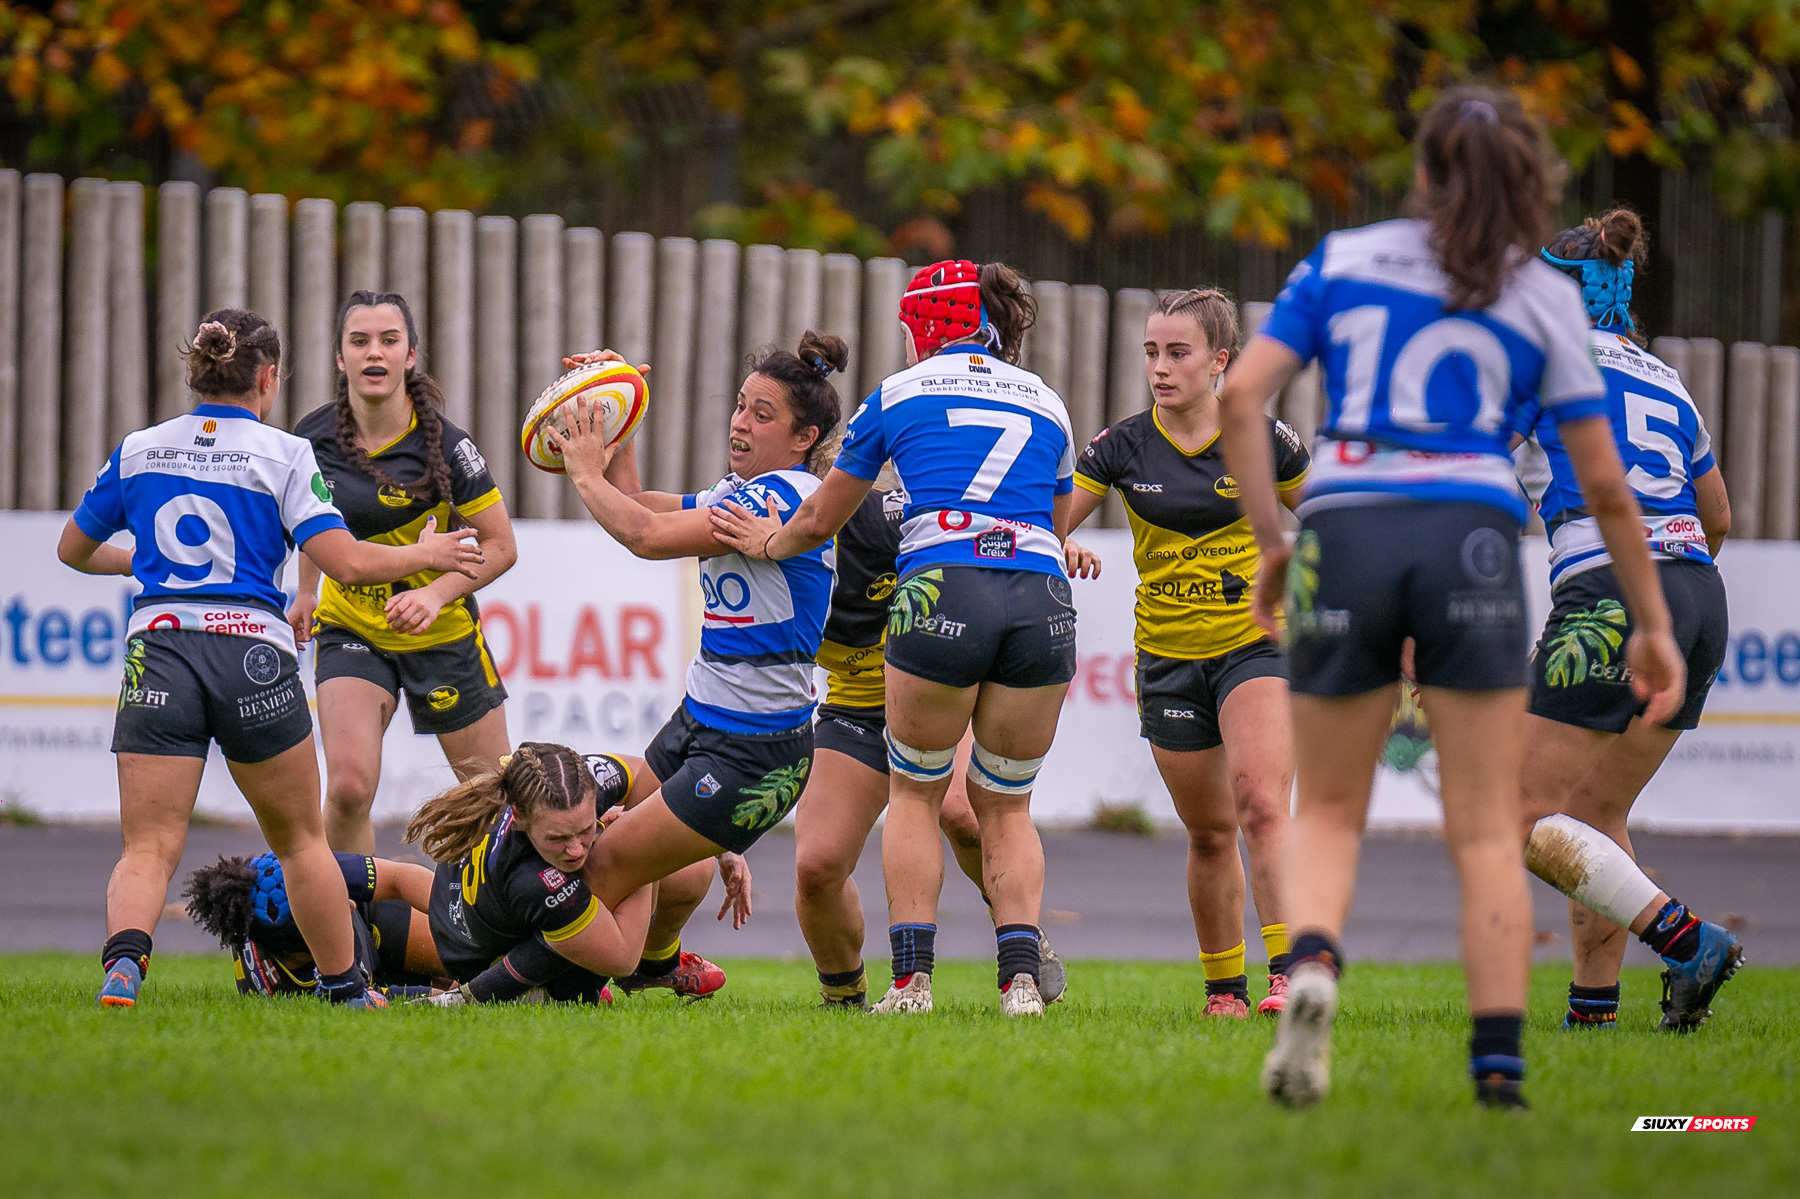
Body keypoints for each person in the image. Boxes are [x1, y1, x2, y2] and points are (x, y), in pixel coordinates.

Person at [1216, 87, 1686, 1109]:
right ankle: (1499, 1074)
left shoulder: (1342, 258)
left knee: (1327, 807)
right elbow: (1606, 487)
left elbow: (1241, 395)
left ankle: (1313, 966)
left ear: (1423, 169)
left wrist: (1273, 542)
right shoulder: (1542, 294)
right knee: (1483, 829)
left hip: (1345, 523)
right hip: (1470, 533)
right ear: (1527, 179)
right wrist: (1651, 622)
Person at [58, 309, 482, 1009]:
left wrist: (140, 562)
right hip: (251, 654)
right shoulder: (284, 453)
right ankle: (346, 988)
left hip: (160, 650)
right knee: (301, 843)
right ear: (268, 378)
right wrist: (428, 553)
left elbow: (72, 549)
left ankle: (124, 967)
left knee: (148, 845)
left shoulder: (140, 449)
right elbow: (346, 561)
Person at [711, 261, 1081, 1017]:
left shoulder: (899, 393)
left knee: (916, 793)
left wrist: (768, 541)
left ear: (922, 329)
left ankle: (911, 984)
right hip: (1041, 595)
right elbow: (1057, 519)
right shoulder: (1048, 398)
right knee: (1006, 805)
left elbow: (819, 518)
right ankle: (1020, 984)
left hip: (944, 589)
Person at [546, 334, 841, 981]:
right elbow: (638, 504)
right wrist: (617, 408)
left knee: (605, 863)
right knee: (679, 873)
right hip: (701, 718)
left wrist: (586, 471)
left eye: (762, 414)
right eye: (740, 406)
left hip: (752, 749)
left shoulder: (782, 496)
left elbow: (644, 535)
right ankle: (654, 967)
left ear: (804, 438)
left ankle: (555, 987)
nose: (741, 422)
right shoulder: (741, 491)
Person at [1511, 208, 1743, 1032]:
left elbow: (1475, 482)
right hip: (1699, 597)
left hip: (1611, 592)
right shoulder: (1664, 377)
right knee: (1592, 814)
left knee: (1515, 812)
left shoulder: (1540, 365)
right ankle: (1593, 1015)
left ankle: (1688, 940)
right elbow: (1718, 513)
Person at [1064, 288, 1307, 1018]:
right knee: (1209, 833)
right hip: (1167, 658)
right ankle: (1224, 991)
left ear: (1220, 360)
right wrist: (1061, 541)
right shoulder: (1121, 446)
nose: (1160, 368)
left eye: (1178, 353)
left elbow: (1333, 517)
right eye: (1151, 352)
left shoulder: (1264, 438)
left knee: (1262, 806)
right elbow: (1045, 526)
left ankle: (1290, 975)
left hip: (1254, 644)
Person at [787, 473, 1067, 1008]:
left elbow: (981, 529)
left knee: (962, 814)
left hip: (940, 690)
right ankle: (843, 996)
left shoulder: (880, 517)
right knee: (816, 866)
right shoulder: (763, 537)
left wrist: (1051, 543)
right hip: (858, 709)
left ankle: (1017, 925)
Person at [290, 291, 519, 855]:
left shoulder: (449, 446)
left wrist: (436, 595)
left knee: (492, 801)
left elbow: (501, 546)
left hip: (440, 635)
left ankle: (485, 906)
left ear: (410, 355)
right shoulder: (311, 438)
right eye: (359, 341)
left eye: (389, 341)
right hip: (352, 626)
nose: (375, 352)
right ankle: (356, 909)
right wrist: (306, 591)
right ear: (340, 358)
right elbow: (314, 520)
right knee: (347, 788)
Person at [404, 743, 656, 1002]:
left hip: (459, 914)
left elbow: (653, 777)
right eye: (557, 838)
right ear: (519, 818)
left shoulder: (567, 783)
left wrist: (630, 816)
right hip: (485, 969)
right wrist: (640, 849)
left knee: (678, 857)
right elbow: (623, 959)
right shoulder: (531, 879)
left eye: (585, 829)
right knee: (642, 847)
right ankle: (567, 985)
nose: (575, 849)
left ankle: (662, 962)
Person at [183, 851, 445, 999]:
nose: (350, 904)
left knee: (462, 953)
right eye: (333, 912)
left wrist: (458, 917)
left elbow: (400, 877)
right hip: (365, 976)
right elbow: (390, 997)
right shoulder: (296, 988)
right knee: (455, 983)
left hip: (374, 921)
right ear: (310, 946)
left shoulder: (303, 869)